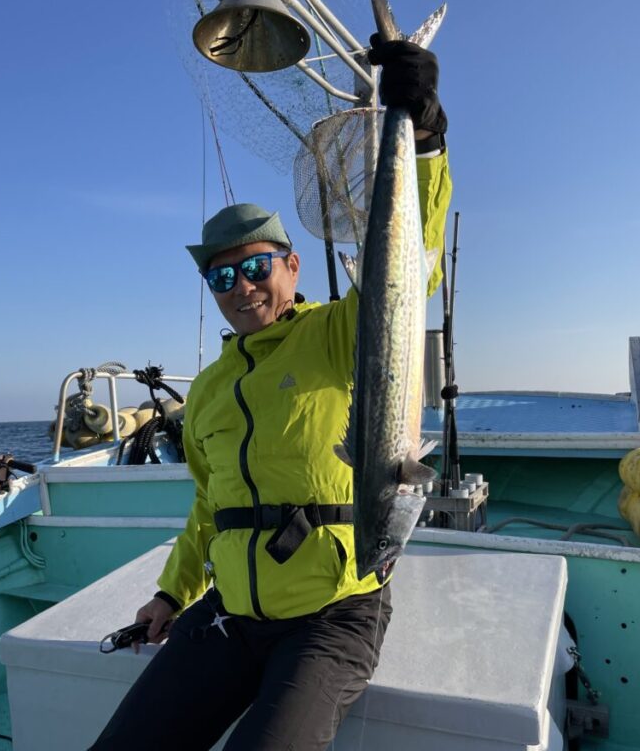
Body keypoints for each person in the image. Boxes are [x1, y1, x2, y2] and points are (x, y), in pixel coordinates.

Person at [90, 38, 453, 751]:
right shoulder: (213, 388)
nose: (243, 287)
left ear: (291, 265)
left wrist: (426, 143)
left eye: (256, 267)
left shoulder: (336, 333)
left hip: (332, 617)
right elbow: (210, 507)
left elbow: (412, 272)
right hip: (231, 612)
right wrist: (171, 593)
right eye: (222, 278)